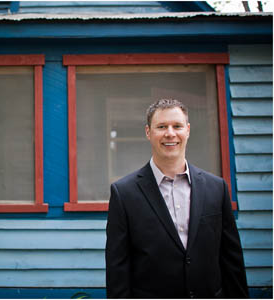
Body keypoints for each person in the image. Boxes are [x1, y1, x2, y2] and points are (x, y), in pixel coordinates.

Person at [105, 99, 248, 298]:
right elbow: (117, 267)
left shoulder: (217, 188)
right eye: (161, 126)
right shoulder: (124, 193)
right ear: (148, 132)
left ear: (187, 130)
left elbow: (232, 260)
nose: (170, 133)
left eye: (177, 126)